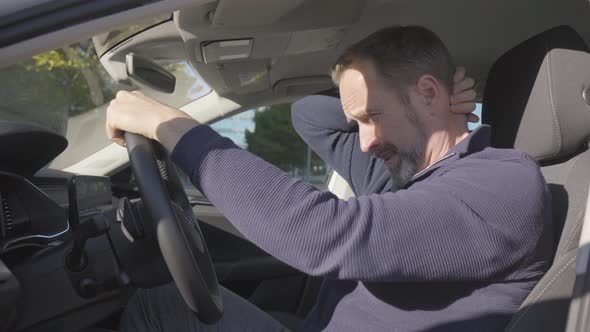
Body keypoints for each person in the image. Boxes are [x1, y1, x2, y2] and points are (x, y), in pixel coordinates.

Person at [107, 26, 553, 331]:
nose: (363, 142)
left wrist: (170, 126)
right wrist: (383, 102)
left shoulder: (502, 184)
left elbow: (320, 234)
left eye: (372, 116)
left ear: (429, 93)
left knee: (160, 308)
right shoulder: (404, 175)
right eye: (358, 121)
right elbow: (310, 117)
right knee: (162, 300)